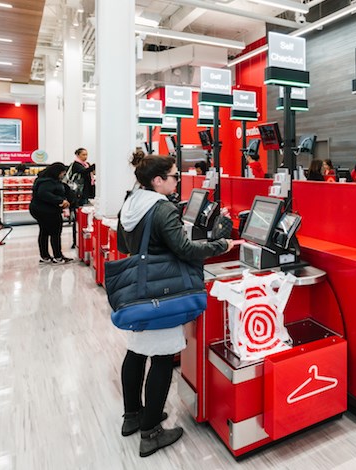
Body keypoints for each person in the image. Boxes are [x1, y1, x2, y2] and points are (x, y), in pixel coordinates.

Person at [117, 154, 236, 458]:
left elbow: (122, 244)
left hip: (138, 291)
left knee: (135, 352)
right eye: (173, 176)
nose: (177, 180)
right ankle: (151, 432)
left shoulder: (131, 203)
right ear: (157, 181)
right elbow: (184, 249)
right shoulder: (162, 208)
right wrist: (221, 245)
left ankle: (133, 417)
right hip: (163, 290)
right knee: (161, 357)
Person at [29, 162, 72, 264]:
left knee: (44, 232)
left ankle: (45, 256)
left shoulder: (44, 179)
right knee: (55, 233)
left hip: (40, 209)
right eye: (62, 173)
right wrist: (60, 201)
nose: (63, 175)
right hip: (47, 211)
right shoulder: (48, 182)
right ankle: (58, 257)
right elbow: (44, 194)